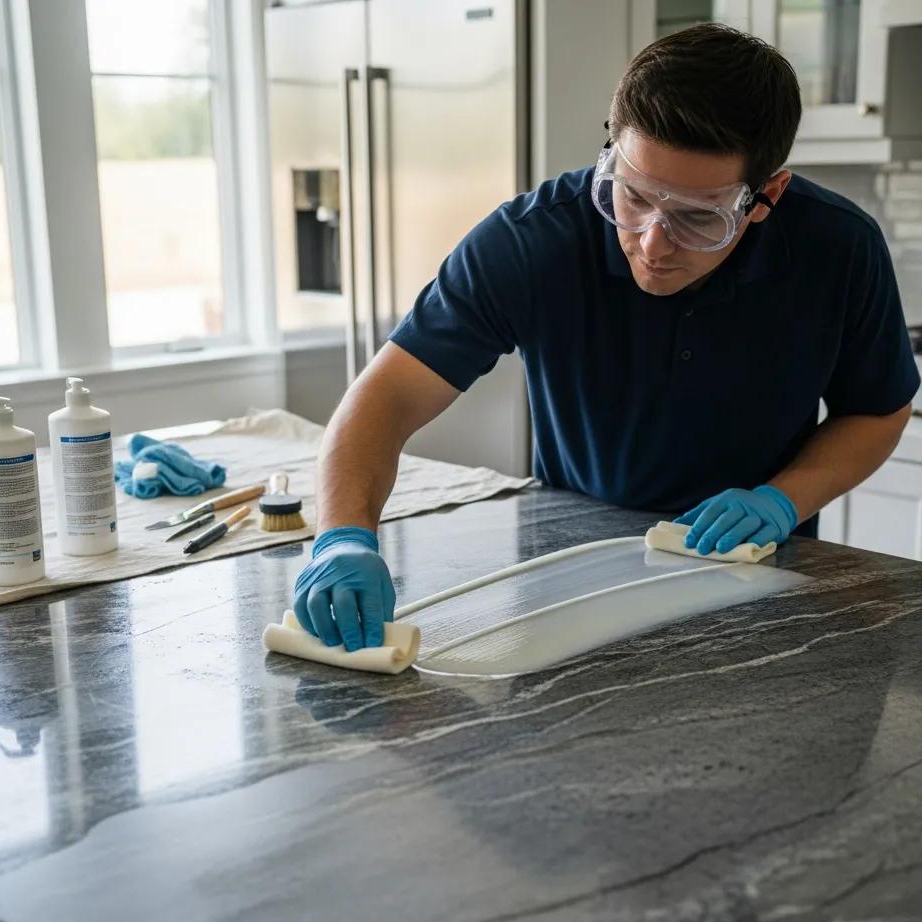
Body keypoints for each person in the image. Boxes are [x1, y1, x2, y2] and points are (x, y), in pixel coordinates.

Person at [293, 23, 919, 653]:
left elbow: (876, 410)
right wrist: (344, 537)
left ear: (766, 196)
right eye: (634, 195)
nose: (652, 241)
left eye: (699, 217)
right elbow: (387, 397)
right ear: (611, 153)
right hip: (569, 574)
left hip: (757, 576)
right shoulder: (533, 241)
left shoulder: (838, 249)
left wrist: (783, 500)